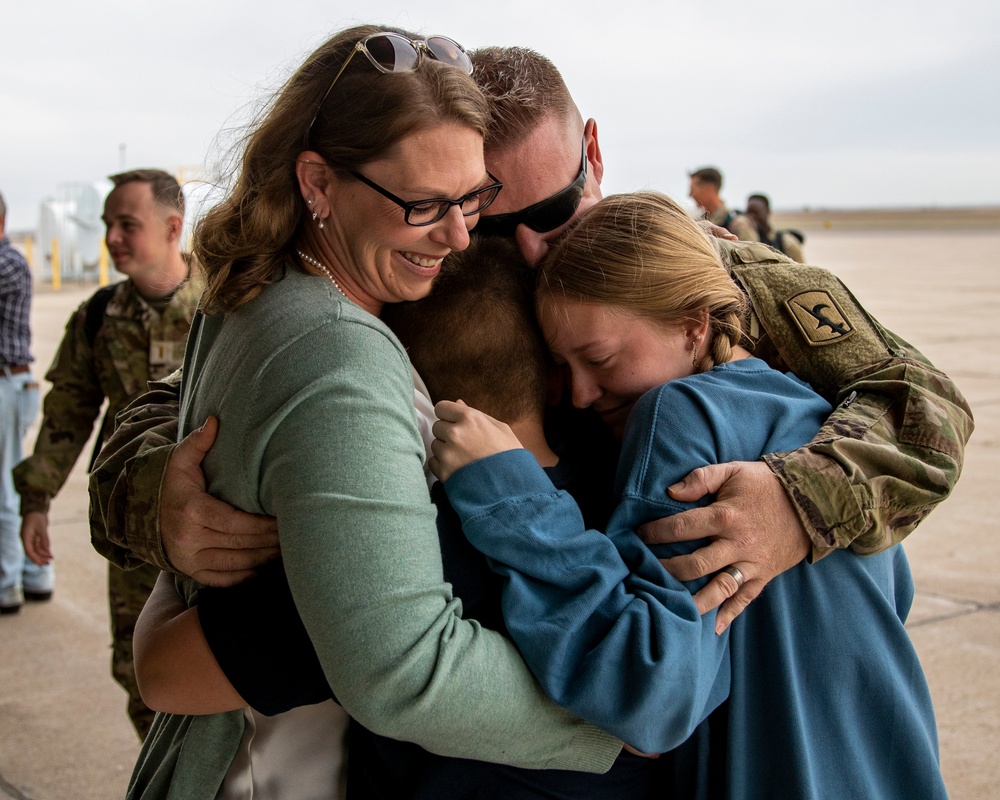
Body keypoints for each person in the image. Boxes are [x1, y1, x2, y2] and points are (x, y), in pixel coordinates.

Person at [90, 44, 972, 664]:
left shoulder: (696, 269)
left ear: (592, 153)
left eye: (550, 217)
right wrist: (151, 502)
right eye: (487, 223)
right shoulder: (418, 262)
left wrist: (795, 502)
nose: (526, 258)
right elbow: (174, 400)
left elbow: (919, 401)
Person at [116, 24, 622, 800]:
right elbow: (403, 668)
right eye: (425, 206)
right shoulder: (342, 362)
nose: (459, 238)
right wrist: (623, 724)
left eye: (471, 200)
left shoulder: (255, 288)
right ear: (317, 181)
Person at [430, 191, 948, 799]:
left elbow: (653, 697)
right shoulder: (826, 416)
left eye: (599, 358)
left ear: (695, 323)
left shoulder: (676, 414)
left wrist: (511, 497)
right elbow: (896, 596)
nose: (579, 393)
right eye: (562, 365)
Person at [134, 236, 664, 797]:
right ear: (556, 376)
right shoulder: (628, 495)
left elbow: (164, 673)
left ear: (410, 396)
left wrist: (181, 559)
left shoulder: (394, 550)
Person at [12, 169, 202, 738]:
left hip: (220, 525)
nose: (112, 238)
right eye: (107, 225)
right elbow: (67, 414)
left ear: (172, 228)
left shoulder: (227, 303)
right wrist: (37, 500)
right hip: (133, 528)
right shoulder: (98, 317)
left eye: (127, 225)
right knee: (140, 670)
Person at [0, 190, 44, 615]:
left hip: (7, 387)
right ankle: (32, 576)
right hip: (10, 386)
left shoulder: (7, 262)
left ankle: (8, 582)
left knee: (4, 488)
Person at [687, 166, 760, 242]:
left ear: (709, 188)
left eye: (692, 189)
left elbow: (752, 252)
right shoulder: (698, 222)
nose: (690, 195)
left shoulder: (738, 223)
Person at [746, 192, 805, 262]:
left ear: (768, 212)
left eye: (756, 213)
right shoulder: (746, 239)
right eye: (749, 212)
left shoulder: (786, 242)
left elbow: (802, 269)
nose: (752, 217)